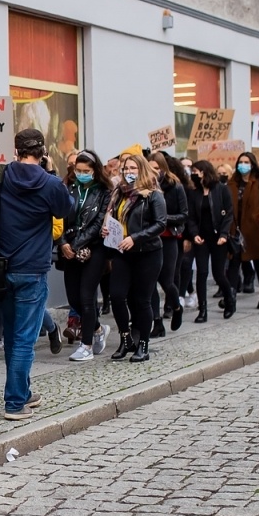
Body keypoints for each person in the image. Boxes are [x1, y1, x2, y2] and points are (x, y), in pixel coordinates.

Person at [0, 128, 70, 417]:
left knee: (11, 335)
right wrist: (49, 173)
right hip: (32, 269)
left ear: (17, 149)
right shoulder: (50, 183)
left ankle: (23, 392)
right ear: (43, 151)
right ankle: (14, 402)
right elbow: (64, 210)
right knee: (23, 338)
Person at [104, 154, 166, 362]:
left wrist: (136, 238)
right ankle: (125, 339)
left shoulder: (153, 195)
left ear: (142, 170)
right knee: (117, 296)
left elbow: (160, 224)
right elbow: (114, 218)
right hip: (122, 252)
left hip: (147, 252)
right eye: (126, 169)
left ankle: (144, 345)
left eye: (133, 168)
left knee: (142, 300)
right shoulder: (119, 193)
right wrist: (108, 229)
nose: (129, 172)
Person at [60, 150, 113, 362]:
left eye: (86, 171)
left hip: (94, 248)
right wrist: (63, 242)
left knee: (86, 296)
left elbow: (99, 221)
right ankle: (98, 328)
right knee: (74, 298)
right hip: (69, 247)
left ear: (94, 171)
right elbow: (59, 218)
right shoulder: (68, 189)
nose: (81, 174)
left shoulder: (104, 191)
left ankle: (86, 345)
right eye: (78, 170)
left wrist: (77, 244)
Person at [190, 159, 236, 322]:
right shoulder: (194, 193)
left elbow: (228, 213)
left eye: (195, 171)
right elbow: (192, 217)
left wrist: (224, 234)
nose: (192, 174)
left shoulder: (221, 190)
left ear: (203, 172)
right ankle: (203, 310)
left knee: (218, 274)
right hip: (201, 239)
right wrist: (194, 233)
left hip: (218, 239)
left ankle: (229, 300)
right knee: (201, 273)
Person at [227, 152, 259, 309]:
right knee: (234, 262)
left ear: (252, 164)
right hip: (235, 229)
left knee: (258, 262)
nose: (243, 165)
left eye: (246, 162)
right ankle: (230, 296)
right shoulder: (232, 182)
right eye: (241, 162)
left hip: (254, 230)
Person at [152, 155, 190, 336]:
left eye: (156, 168)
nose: (153, 172)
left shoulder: (176, 186)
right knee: (150, 283)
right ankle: (156, 322)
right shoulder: (144, 187)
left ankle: (176, 307)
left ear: (163, 168)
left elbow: (183, 214)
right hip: (149, 238)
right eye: (149, 168)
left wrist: (163, 219)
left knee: (167, 280)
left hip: (168, 237)